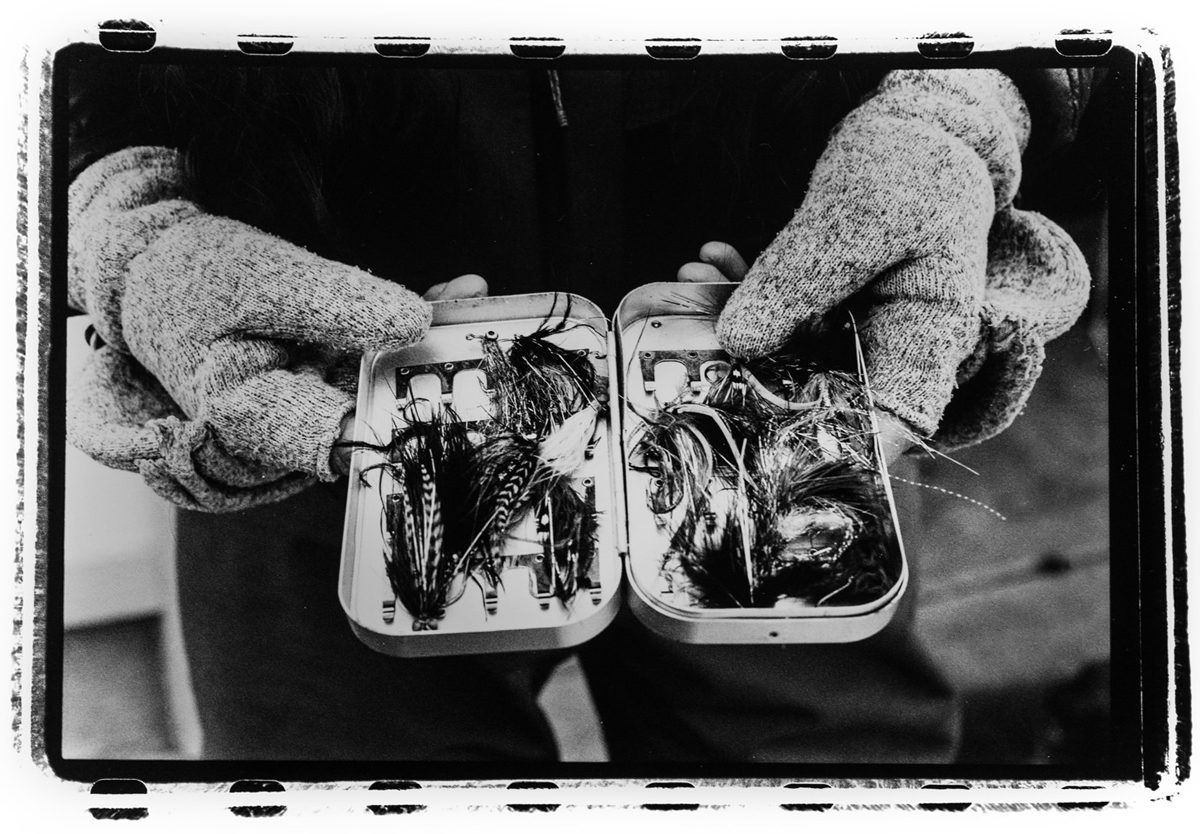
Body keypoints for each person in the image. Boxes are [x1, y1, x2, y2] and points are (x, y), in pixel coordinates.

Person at [65, 53, 1098, 761]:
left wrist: (965, 103)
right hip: (334, 383)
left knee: (829, 776)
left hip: (766, 360)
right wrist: (117, 211)